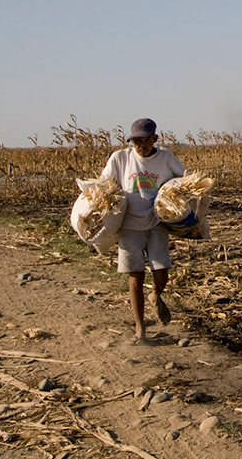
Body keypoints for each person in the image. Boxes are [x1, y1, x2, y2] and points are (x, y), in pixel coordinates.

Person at [101, 118, 185, 344]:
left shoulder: (166, 157)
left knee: (162, 273)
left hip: (157, 223)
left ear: (155, 139)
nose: (141, 145)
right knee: (135, 277)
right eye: (136, 141)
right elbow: (104, 185)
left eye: (146, 140)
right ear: (130, 141)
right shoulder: (120, 158)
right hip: (130, 226)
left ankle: (155, 294)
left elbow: (182, 181)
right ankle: (140, 330)